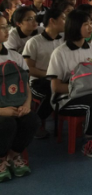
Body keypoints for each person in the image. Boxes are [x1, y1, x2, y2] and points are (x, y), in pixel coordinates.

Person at [47, 10, 92, 158]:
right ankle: (88, 140)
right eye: (85, 24)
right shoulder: (60, 52)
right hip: (67, 98)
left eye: (90, 24)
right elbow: (56, 87)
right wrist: (82, 88)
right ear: (74, 26)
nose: (90, 27)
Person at [0, 15, 38, 182]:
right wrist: (1, 111)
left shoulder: (15, 56)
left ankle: (13, 155)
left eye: (6, 26)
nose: (6, 31)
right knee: (6, 123)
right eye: (1, 28)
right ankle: (1, 159)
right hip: (2, 110)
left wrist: (27, 104)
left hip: (15, 105)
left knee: (31, 120)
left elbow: (25, 85)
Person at [22, 8, 65, 138]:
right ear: (52, 21)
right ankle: (35, 124)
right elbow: (28, 69)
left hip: (60, 78)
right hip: (38, 81)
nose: (66, 22)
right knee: (53, 91)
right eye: (63, 19)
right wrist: (50, 75)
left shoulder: (64, 40)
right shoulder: (34, 42)